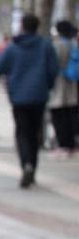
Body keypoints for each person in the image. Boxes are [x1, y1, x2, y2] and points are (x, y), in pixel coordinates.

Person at [0, 14, 60, 188]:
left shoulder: (13, 47)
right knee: (34, 132)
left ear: (22, 26)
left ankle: (26, 164)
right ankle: (32, 168)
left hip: (19, 97)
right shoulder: (45, 45)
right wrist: (47, 85)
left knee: (22, 132)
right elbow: (54, 69)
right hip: (39, 96)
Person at [47, 20, 78, 159]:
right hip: (71, 85)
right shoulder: (72, 44)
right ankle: (71, 145)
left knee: (59, 118)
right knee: (70, 116)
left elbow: (53, 65)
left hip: (59, 86)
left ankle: (63, 146)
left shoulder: (58, 45)